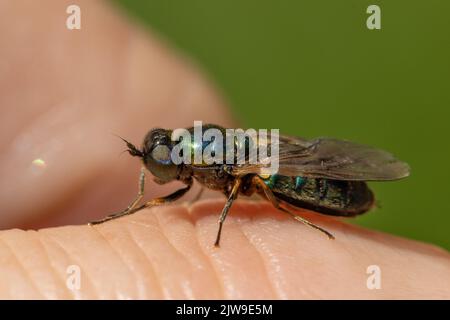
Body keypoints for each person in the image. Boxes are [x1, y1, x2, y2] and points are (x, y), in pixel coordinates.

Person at [0, 0, 448, 299]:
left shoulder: (205, 160)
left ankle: (293, 210)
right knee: (256, 173)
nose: (160, 166)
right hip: (269, 157)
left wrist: (262, 215)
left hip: (286, 173)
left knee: (260, 175)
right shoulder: (196, 153)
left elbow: (241, 178)